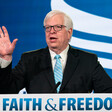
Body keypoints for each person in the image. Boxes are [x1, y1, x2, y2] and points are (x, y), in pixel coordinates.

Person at [0, 10, 112, 94]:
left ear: (69, 32)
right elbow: (7, 91)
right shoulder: (29, 59)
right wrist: (5, 59)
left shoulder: (87, 61)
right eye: (48, 28)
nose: (51, 31)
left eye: (58, 27)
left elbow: (109, 93)